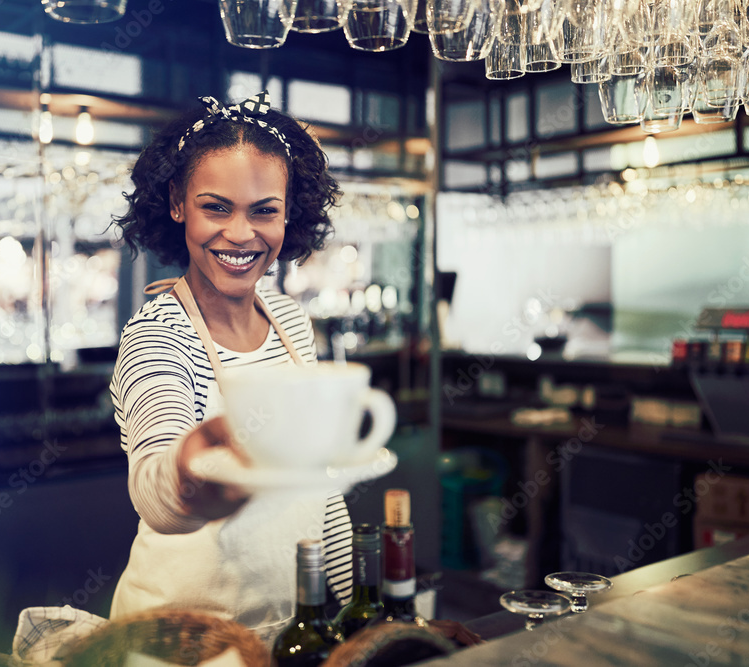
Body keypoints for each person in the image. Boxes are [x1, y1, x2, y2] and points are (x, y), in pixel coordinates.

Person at [108, 92, 481, 648]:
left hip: (288, 632)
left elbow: (320, 493)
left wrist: (354, 615)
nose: (240, 233)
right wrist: (189, 480)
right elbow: (154, 492)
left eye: (264, 210)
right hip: (179, 642)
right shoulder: (160, 335)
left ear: (289, 214)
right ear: (177, 203)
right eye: (216, 207)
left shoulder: (289, 320)